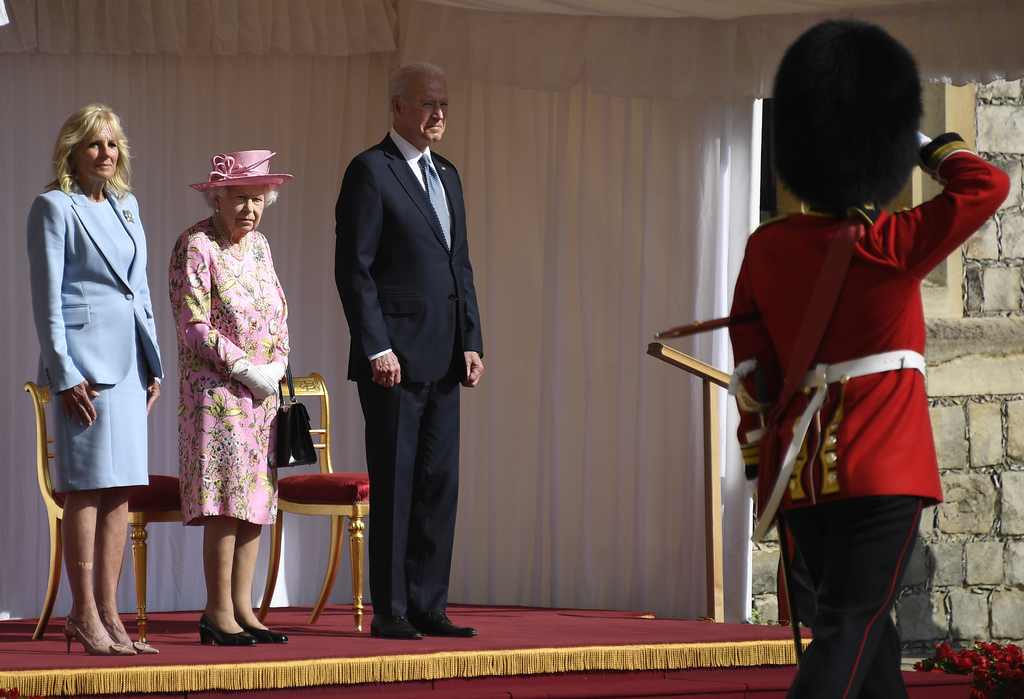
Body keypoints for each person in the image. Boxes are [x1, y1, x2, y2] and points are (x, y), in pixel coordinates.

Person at [728, 21, 1010, 698]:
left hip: (801, 475)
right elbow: (986, 184)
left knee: (865, 630)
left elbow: (751, 374)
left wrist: (760, 466)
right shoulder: (890, 244)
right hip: (882, 467)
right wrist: (922, 143)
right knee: (850, 626)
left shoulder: (767, 246)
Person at [335, 63, 484, 640]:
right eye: (427, 103)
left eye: (444, 104)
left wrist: (471, 340)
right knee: (396, 485)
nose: (438, 114)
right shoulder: (371, 170)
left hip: (446, 359)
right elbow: (355, 270)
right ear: (397, 106)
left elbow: (459, 266)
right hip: (392, 363)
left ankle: (429, 605)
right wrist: (376, 346)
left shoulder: (447, 174)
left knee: (438, 486)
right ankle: (391, 609)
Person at [27, 104, 163, 656]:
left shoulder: (128, 206)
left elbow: (139, 289)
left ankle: (109, 611)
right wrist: (63, 373)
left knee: (121, 489)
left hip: (130, 367)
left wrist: (153, 361)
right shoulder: (53, 207)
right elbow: (47, 300)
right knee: (85, 487)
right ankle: (81, 612)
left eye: (112, 144)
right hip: (83, 370)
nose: (106, 153)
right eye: (94, 144)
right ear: (72, 152)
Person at [169, 150, 292, 646]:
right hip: (216, 395)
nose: (250, 209)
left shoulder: (260, 246)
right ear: (217, 197)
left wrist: (276, 366)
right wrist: (245, 369)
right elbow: (193, 323)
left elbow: (279, 313)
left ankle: (244, 608)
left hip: (261, 398)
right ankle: (217, 612)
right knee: (225, 501)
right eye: (240, 198)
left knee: (256, 500)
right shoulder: (195, 244)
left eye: (258, 199)